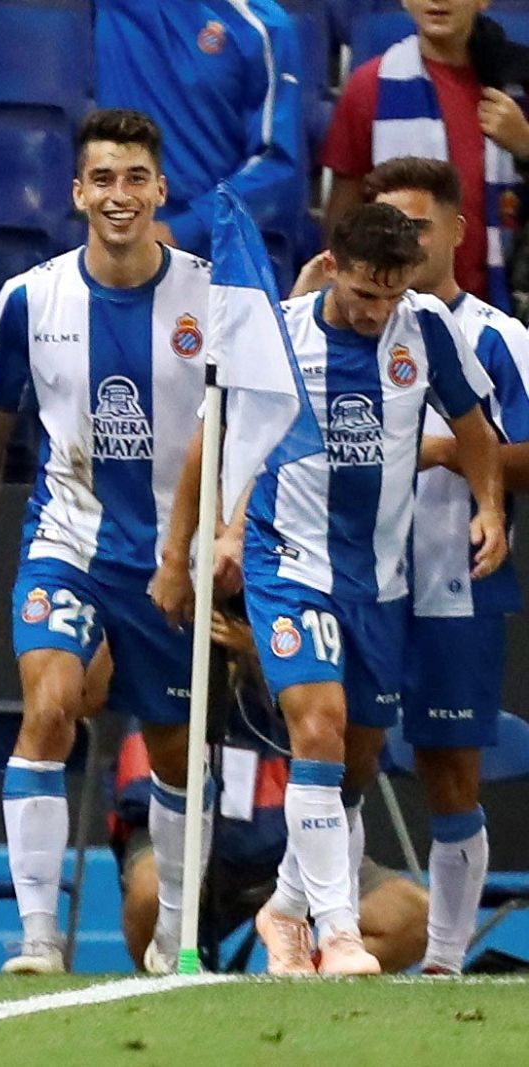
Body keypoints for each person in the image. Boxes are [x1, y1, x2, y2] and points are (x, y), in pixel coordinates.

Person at [0, 109, 210, 976]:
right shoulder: (32, 298)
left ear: (160, 189)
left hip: (172, 562)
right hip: (67, 543)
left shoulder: (213, 299)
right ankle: (36, 937)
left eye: (135, 178)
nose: (119, 195)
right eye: (102, 179)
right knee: (50, 706)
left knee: (174, 752)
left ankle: (175, 937)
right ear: (76, 193)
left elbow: (254, 428)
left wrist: (222, 542)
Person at [219, 202, 502, 976]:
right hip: (289, 561)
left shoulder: (425, 330)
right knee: (319, 726)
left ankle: (283, 908)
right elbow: (228, 437)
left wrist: (488, 506)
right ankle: (337, 930)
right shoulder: (282, 332)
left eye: (392, 295)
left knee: (356, 763)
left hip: (379, 580)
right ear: (333, 267)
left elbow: (473, 425)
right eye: (365, 293)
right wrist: (224, 530)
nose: (378, 311)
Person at [360, 158, 529, 975]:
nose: (403, 240)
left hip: (454, 581)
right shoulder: (345, 323)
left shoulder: (500, 338)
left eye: (419, 226)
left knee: (449, 771)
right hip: (356, 579)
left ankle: (443, 958)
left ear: (459, 231)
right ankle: (332, 929)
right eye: (389, 225)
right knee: (341, 750)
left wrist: (451, 451)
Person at [108, 606, 429, 975]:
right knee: (149, 892)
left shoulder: (306, 676)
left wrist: (265, 657)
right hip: (194, 853)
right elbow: (138, 799)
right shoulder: (170, 670)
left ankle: (292, 987)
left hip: (292, 849)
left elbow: (350, 765)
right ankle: (167, 988)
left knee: (413, 918)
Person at [321, 0, 529, 311]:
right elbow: (343, 218)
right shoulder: (368, 87)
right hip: (392, 312)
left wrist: (526, 145)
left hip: (505, 309)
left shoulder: (520, 86)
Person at [93, 0, 306, 259]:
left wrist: (179, 231)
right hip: (114, 245)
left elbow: (276, 164)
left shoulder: (264, 28)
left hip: (214, 256)